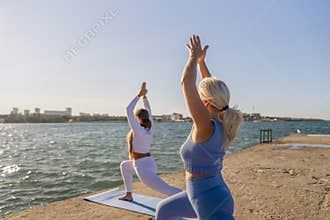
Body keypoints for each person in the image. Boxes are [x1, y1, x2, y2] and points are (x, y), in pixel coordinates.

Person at [155, 35, 243, 219]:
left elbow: (187, 83)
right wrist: (202, 63)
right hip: (200, 193)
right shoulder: (220, 121)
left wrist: (193, 58)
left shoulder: (205, 126)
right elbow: (209, 86)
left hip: (210, 201)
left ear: (206, 102)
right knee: (163, 211)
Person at [119, 82, 181, 201]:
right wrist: (145, 97)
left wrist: (139, 95)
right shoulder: (150, 126)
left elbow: (128, 109)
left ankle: (192, 199)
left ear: (137, 118)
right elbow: (149, 110)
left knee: (168, 190)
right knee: (125, 166)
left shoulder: (137, 129)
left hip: (142, 166)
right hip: (149, 162)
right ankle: (129, 194)